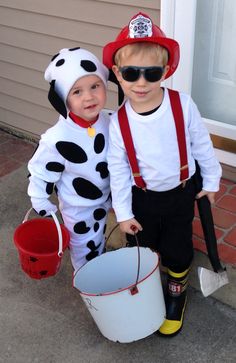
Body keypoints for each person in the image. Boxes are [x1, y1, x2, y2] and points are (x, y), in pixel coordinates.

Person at [103, 12, 222, 336]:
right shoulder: (119, 122)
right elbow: (118, 168)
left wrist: (211, 180)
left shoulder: (182, 105)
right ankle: (148, 283)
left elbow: (202, 144)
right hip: (141, 197)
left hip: (179, 193)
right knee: (143, 243)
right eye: (131, 73)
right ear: (117, 73)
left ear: (166, 71)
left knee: (178, 245)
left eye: (151, 73)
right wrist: (124, 212)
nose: (141, 82)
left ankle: (176, 291)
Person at [28, 47, 111, 272]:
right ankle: (86, 277)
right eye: (77, 92)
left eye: (95, 86)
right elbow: (40, 170)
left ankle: (99, 260)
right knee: (83, 245)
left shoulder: (108, 120)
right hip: (78, 207)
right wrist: (40, 199)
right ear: (63, 99)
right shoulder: (57, 138)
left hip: (106, 198)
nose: (89, 97)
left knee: (100, 236)